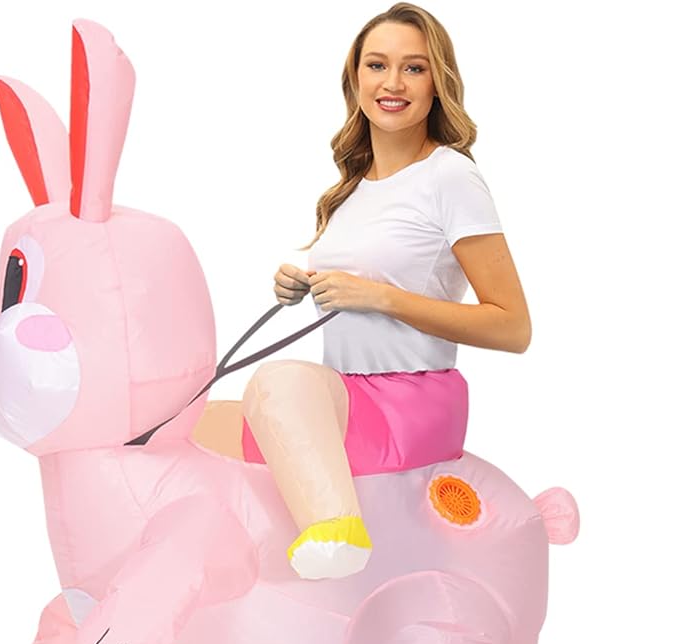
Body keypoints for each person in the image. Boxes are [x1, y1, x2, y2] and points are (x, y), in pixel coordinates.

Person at [193, 2, 531, 579]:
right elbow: (360, 282)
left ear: (437, 83)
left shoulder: (450, 176)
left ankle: (337, 536)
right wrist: (299, 285)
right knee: (191, 425)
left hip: (411, 401)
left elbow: (513, 327)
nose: (392, 83)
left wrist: (379, 297)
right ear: (354, 78)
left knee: (278, 381)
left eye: (414, 68)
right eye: (377, 65)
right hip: (349, 394)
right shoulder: (350, 188)